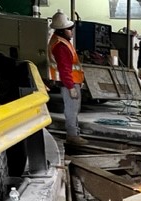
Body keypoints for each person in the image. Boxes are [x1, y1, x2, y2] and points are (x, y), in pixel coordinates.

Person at [47, 9, 87, 146]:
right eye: (69, 29)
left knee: (73, 109)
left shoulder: (61, 41)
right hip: (69, 83)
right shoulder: (61, 46)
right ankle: (72, 135)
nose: (71, 31)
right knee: (71, 109)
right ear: (62, 30)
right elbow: (65, 69)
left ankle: (74, 133)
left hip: (71, 82)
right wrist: (71, 87)